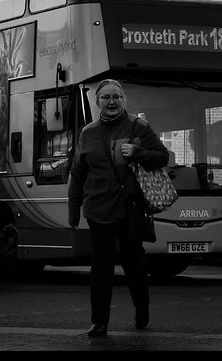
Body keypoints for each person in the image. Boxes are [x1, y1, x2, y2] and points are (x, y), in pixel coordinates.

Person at [67, 79, 170, 338]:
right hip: (97, 211)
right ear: (97, 101)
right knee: (100, 266)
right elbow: (78, 174)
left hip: (129, 209)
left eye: (116, 97)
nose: (111, 102)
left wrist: (137, 152)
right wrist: (73, 210)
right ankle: (99, 321)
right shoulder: (87, 133)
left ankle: (142, 309)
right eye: (105, 98)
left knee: (133, 263)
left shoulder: (139, 126)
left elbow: (162, 157)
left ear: (123, 99)